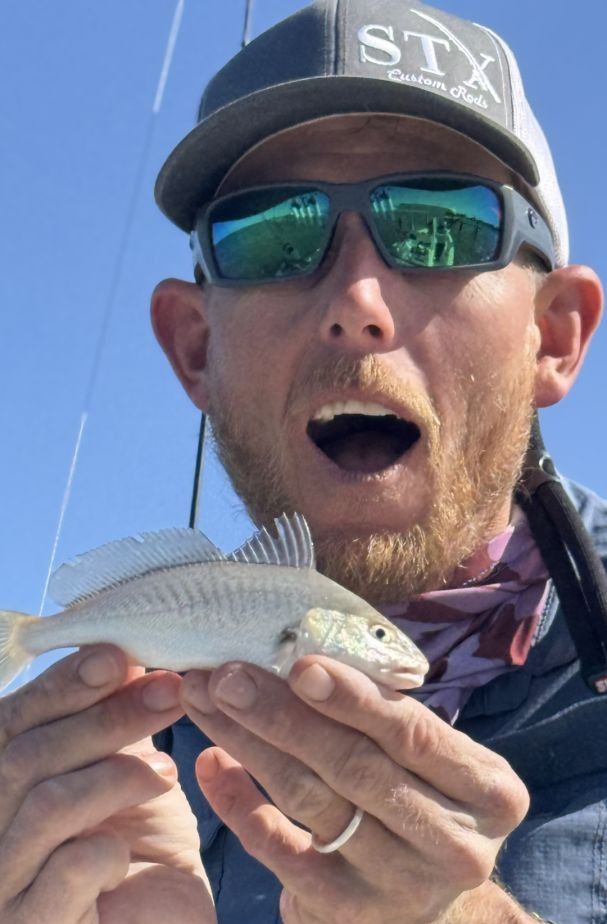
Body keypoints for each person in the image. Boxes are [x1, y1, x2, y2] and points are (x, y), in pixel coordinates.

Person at [0, 1, 605, 922]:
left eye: (439, 223)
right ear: (195, 348)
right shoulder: (95, 758)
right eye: (272, 235)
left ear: (552, 337)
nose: (356, 301)